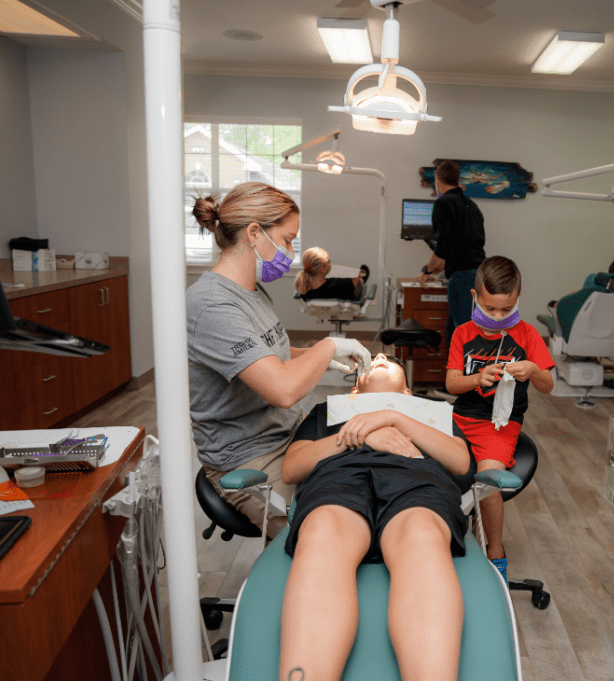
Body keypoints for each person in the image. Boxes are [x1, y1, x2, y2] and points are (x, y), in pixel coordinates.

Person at [187, 182, 372, 530]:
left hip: (289, 433)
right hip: (249, 456)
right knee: (329, 529)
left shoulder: (254, 293)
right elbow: (283, 390)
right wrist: (328, 345)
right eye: (287, 240)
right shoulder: (211, 305)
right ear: (254, 234)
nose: (289, 251)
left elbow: (273, 355)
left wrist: (321, 357)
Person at [279, 353, 475, 681]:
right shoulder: (328, 412)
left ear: (409, 390)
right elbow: (291, 469)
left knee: (421, 534)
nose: (380, 356)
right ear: (354, 389)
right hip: (340, 477)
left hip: (416, 479)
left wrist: (394, 417)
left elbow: (461, 463)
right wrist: (359, 435)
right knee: (323, 530)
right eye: (371, 359)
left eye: (390, 358)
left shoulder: (432, 413)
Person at [445, 256, 554, 583]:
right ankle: (445, 541)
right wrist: (477, 378)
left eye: (505, 310)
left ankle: (495, 552)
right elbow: (452, 383)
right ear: (474, 296)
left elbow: (547, 387)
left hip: (499, 424)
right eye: (489, 308)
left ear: (518, 296)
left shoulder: (528, 335)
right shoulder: (463, 333)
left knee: (488, 481)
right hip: (461, 418)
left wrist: (533, 369)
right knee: (434, 470)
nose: (497, 316)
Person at [417, 159, 487, 346]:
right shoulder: (472, 206)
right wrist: (437, 268)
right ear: (458, 179)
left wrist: (427, 271)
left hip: (462, 278)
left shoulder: (443, 203)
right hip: (480, 275)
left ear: (438, 181)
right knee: (452, 331)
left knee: (465, 337)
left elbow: (444, 247)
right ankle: (454, 374)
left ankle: (470, 375)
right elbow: (462, 244)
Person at [294, 246, 369, 302]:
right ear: (322, 269)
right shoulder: (338, 284)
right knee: (357, 283)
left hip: (322, 301)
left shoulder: (304, 289)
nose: (331, 263)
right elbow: (353, 282)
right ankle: (361, 279)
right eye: (329, 262)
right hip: (348, 298)